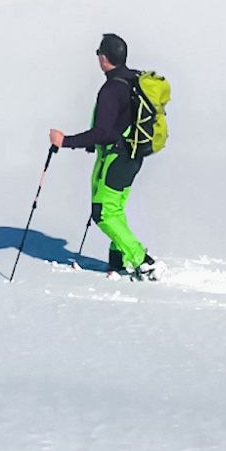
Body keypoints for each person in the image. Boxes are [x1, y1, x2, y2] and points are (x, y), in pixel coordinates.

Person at [50, 33, 159, 280]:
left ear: (103, 58)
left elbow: (101, 133)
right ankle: (117, 261)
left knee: (102, 213)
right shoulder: (135, 80)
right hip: (133, 155)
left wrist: (65, 141)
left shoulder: (111, 89)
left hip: (116, 158)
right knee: (115, 209)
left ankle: (143, 260)